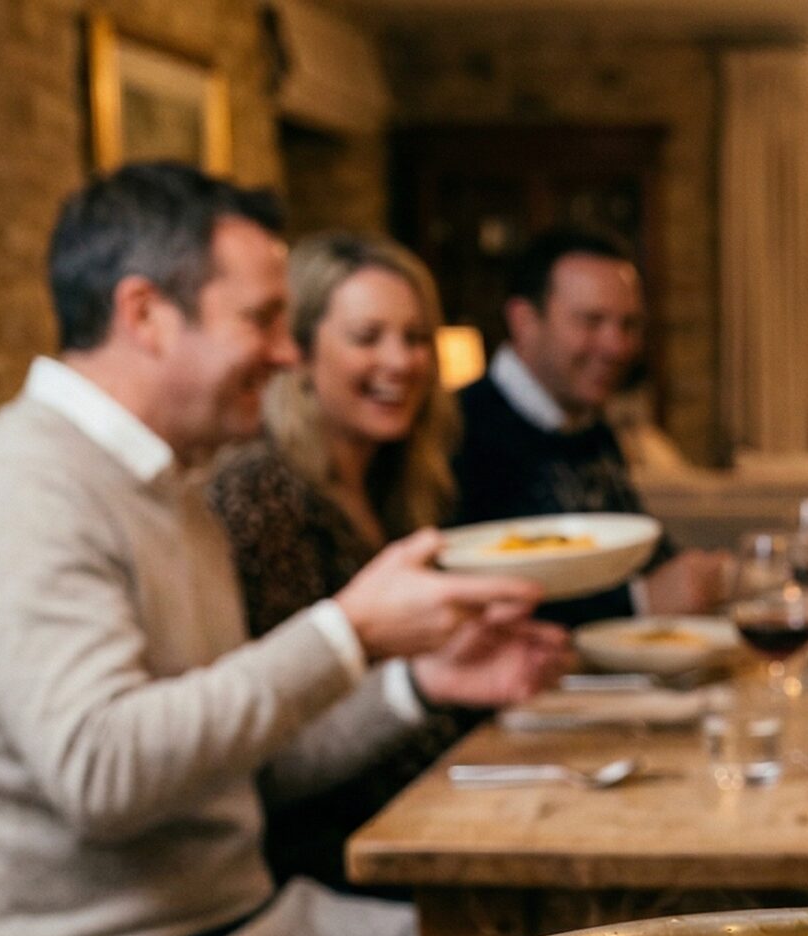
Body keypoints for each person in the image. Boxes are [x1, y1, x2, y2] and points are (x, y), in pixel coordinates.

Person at [0, 164, 566, 936]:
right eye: (263, 320)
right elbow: (103, 773)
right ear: (146, 314)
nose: (287, 354)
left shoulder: (171, 487)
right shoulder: (19, 486)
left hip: (233, 924)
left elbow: (247, 761)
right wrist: (346, 630)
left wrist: (416, 684)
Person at [210, 232, 558, 894]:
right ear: (301, 352)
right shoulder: (263, 494)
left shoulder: (400, 485)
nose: (400, 361)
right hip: (338, 864)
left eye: (416, 337)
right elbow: (276, 747)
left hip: (438, 816)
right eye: (368, 337)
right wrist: (423, 683)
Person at [451, 226, 723, 625]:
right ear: (524, 321)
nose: (617, 346)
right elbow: (468, 600)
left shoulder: (590, 424)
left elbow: (644, 552)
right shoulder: (458, 431)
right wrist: (638, 601)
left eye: (629, 325)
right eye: (591, 321)